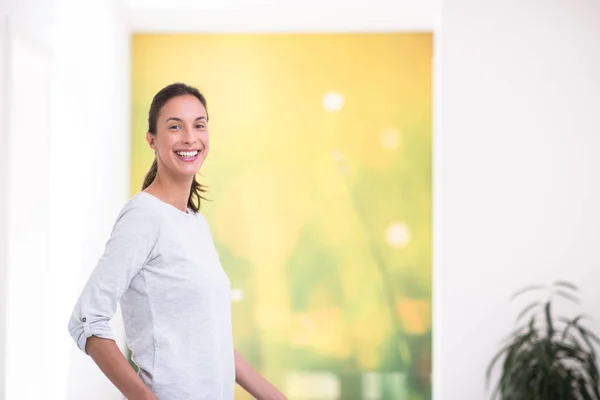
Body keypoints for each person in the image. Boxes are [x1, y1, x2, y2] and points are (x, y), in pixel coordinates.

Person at [68, 82, 287, 400]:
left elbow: (213, 343)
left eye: (199, 125)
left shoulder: (195, 222)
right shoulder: (144, 216)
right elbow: (85, 319)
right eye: (175, 126)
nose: (190, 138)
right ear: (152, 140)